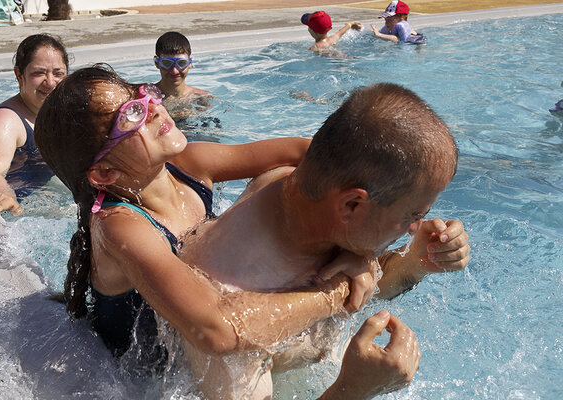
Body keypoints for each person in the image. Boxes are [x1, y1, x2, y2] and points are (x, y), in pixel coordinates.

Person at [34, 65, 420, 399]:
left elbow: (315, 157)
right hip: (151, 377)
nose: (153, 109)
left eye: (142, 95)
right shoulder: (119, 225)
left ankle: (402, 267)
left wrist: (369, 232)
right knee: (244, 357)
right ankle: (353, 373)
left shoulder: (188, 164)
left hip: (199, 332)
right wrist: (333, 293)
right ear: (104, 174)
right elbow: (214, 331)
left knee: (294, 200)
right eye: (131, 115)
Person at [179, 83, 470, 399]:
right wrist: (352, 390)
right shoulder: (232, 310)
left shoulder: (315, 198)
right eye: (412, 214)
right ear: (352, 205)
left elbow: (361, 288)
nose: (416, 227)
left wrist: (416, 262)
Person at [0, 33, 69, 219]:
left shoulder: (64, 112)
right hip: (23, 207)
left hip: (47, 196)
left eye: (58, 74)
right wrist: (9, 200)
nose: (50, 82)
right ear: (19, 75)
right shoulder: (6, 120)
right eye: (39, 73)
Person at [153, 31, 212, 121]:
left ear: (190, 63)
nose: (174, 70)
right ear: (157, 63)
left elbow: (211, 127)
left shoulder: (202, 97)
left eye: (181, 63)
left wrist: (194, 114)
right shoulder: (147, 97)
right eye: (167, 63)